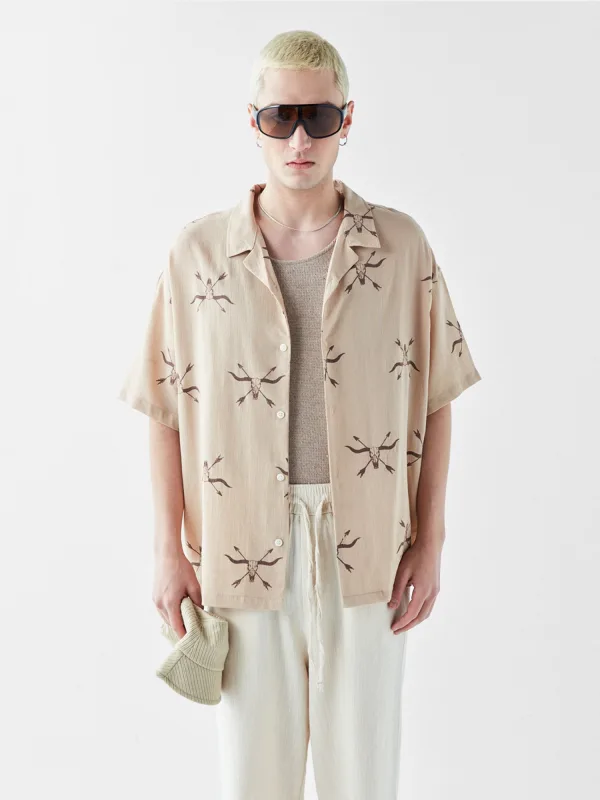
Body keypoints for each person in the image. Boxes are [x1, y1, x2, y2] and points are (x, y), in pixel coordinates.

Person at [119, 29, 482, 800]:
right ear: (252, 123)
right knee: (255, 780)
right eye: (280, 116)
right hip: (240, 541)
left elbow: (437, 395)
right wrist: (166, 551)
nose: (299, 139)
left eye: (318, 117)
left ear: (347, 120)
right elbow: (164, 406)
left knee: (364, 778)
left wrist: (432, 539)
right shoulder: (197, 254)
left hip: (370, 544)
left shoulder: (401, 247)